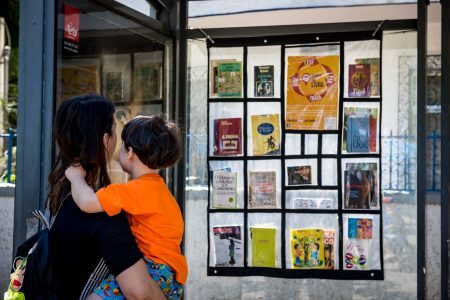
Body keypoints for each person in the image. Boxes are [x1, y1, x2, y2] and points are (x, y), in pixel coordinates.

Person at [41, 95, 164, 299]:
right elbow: (140, 292)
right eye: (115, 131)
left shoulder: (58, 195)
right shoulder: (101, 211)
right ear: (105, 140)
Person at [65, 115, 187, 299]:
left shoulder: (135, 191)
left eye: (122, 145)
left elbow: (87, 203)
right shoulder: (160, 191)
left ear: (129, 152)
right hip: (170, 278)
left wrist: (75, 177)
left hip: (151, 271)